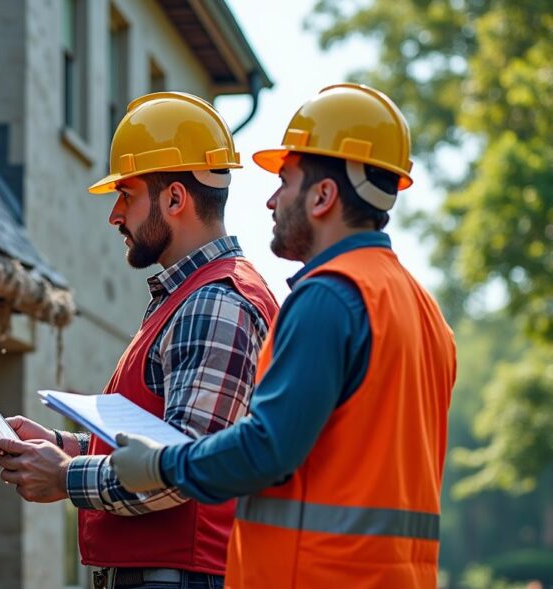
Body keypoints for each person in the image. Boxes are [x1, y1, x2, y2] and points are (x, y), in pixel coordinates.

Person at [110, 84, 458, 588]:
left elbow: (265, 449)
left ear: (322, 196)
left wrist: (162, 465)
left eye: (286, 180)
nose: (272, 199)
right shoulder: (426, 314)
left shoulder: (329, 298)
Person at [0, 92, 278, 589]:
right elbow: (158, 442)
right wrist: (64, 446)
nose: (115, 215)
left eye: (127, 195)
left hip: (183, 578)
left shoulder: (214, 302)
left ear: (175, 199)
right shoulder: (187, 297)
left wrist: (63, 476)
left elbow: (183, 467)